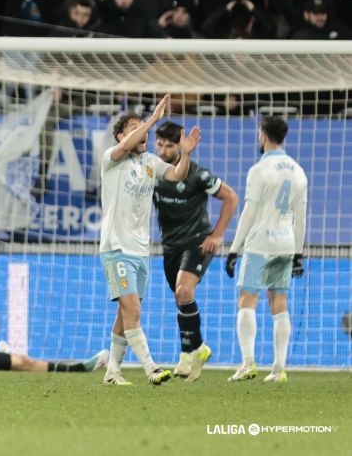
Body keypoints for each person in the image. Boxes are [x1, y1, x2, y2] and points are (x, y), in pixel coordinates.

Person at [99, 94, 200, 386]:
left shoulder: (150, 162)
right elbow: (125, 146)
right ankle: (150, 367)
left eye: (142, 126)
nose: (141, 131)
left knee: (124, 313)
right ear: (120, 136)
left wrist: (186, 153)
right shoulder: (112, 160)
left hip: (140, 251)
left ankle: (111, 372)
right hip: (116, 247)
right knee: (133, 310)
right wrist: (153, 119)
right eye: (134, 127)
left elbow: (177, 176)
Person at [152, 121, 238, 382]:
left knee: (183, 290)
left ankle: (187, 354)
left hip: (197, 241)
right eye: (160, 144)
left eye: (169, 145)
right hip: (170, 245)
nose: (163, 150)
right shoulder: (153, 172)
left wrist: (217, 234)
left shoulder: (198, 175)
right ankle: (197, 349)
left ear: (180, 145)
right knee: (181, 299)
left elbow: (231, 197)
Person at [225, 116, 307, 383]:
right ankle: (278, 369)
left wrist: (234, 249)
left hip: (260, 243)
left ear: (263, 136)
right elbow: (301, 217)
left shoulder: (259, 170)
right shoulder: (298, 171)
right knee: (279, 304)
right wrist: (298, 253)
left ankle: (248, 363)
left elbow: (248, 213)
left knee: (246, 300)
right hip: (285, 244)